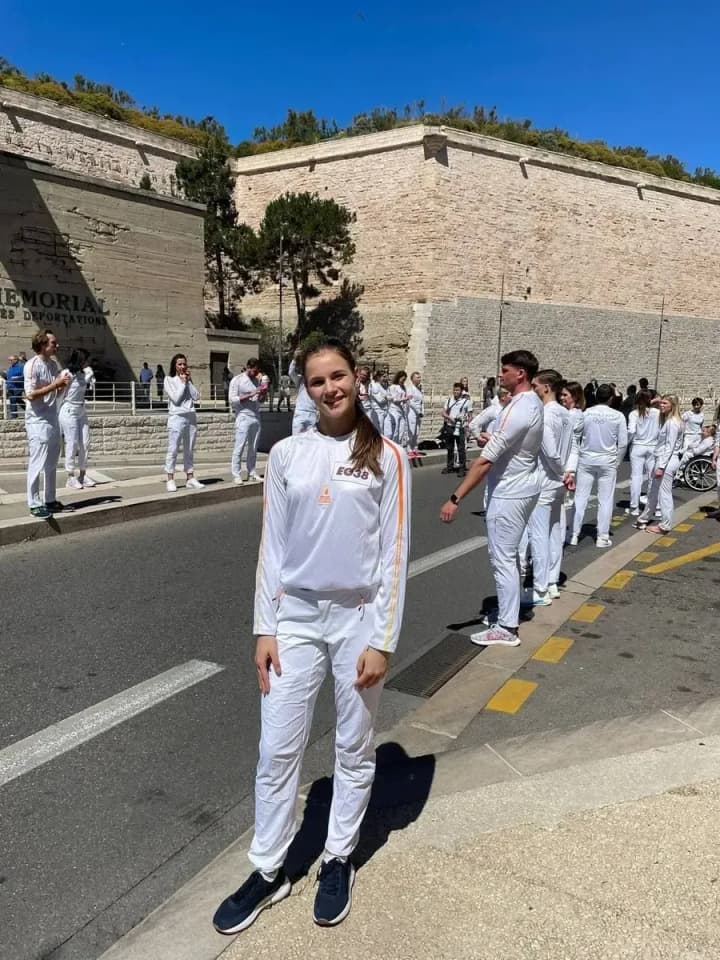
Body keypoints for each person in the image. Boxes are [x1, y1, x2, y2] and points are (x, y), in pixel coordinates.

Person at [212, 337, 410, 934]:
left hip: (357, 618)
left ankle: (338, 857)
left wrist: (382, 639)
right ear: (305, 387)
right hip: (294, 617)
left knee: (354, 746)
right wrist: (262, 628)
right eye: (318, 380)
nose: (330, 388)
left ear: (358, 377)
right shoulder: (286, 454)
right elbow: (272, 546)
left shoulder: (388, 456)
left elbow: (394, 555)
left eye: (339, 376)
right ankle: (268, 868)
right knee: (277, 749)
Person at [440, 350, 543, 647]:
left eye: (505, 370)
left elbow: (485, 462)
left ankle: (507, 627)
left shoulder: (520, 407)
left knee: (502, 559)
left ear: (520, 374)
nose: (501, 375)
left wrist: (455, 498)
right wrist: (492, 440)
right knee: (508, 557)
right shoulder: (530, 404)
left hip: (510, 492)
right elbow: (512, 444)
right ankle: (508, 614)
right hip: (521, 486)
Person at [523, 370, 574, 606]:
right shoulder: (566, 413)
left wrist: (562, 471)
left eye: (535, 386)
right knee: (554, 531)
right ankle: (552, 581)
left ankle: (540, 588)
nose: (532, 389)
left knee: (540, 535)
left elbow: (550, 451)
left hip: (546, 478)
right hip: (559, 481)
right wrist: (569, 472)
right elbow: (573, 447)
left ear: (545, 388)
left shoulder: (545, 413)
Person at [569, 384, 628, 548]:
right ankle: (602, 536)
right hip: (607, 460)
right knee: (605, 499)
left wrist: (578, 454)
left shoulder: (586, 413)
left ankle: (573, 534)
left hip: (586, 459)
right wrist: (617, 462)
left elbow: (576, 435)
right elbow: (623, 443)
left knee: (580, 498)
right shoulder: (618, 416)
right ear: (611, 398)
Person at [23, 331, 72, 519]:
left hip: (52, 418)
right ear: (43, 345)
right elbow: (31, 395)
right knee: (37, 463)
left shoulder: (53, 365)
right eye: (53, 343)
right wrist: (55, 384)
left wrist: (62, 387)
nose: (56, 346)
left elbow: (54, 395)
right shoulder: (32, 365)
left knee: (51, 462)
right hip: (37, 421)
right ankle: (34, 503)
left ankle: (50, 499)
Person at [634, 395, 683, 534]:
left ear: (672, 405)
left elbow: (669, 446)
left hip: (666, 461)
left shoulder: (672, 423)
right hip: (665, 459)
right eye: (661, 403)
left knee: (664, 494)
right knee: (654, 491)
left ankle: (665, 525)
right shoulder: (672, 420)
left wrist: (661, 466)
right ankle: (644, 518)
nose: (661, 405)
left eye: (665, 403)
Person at [163, 354, 203, 492]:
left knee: (189, 448)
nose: (182, 367)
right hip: (176, 417)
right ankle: (170, 478)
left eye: (184, 364)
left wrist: (189, 382)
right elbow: (176, 399)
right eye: (179, 364)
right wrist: (182, 383)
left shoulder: (187, 380)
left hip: (190, 416)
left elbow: (196, 397)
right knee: (173, 448)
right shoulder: (169, 380)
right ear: (174, 365)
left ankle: (190, 477)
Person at [59, 349, 96, 489]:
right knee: (72, 443)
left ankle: (82, 474)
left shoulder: (83, 373)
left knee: (85, 442)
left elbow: (90, 383)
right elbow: (60, 392)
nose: (87, 362)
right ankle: (70, 476)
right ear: (79, 360)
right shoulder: (67, 373)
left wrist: (90, 374)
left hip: (81, 410)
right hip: (69, 410)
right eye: (85, 360)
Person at [229, 358, 266, 483]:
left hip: (255, 415)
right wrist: (250, 394)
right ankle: (236, 474)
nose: (256, 374)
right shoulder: (237, 380)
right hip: (243, 415)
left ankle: (252, 471)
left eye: (257, 371)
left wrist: (263, 393)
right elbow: (233, 399)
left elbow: (260, 400)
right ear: (248, 367)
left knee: (253, 446)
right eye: (254, 371)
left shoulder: (257, 381)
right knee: (239, 446)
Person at [626, 390, 660, 516]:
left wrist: (626, 445)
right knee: (653, 477)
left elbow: (631, 431)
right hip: (652, 446)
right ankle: (654, 506)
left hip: (637, 446)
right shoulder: (657, 413)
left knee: (636, 477)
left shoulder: (633, 414)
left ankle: (634, 507)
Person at [441, 382, 471, 477]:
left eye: (457, 390)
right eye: (454, 390)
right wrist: (450, 418)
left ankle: (462, 468)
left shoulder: (466, 402)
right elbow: (443, 412)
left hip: (460, 427)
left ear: (461, 391)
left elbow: (470, 416)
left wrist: (468, 427)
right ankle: (449, 466)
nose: (455, 392)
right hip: (450, 426)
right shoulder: (449, 401)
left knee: (461, 448)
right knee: (449, 448)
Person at [288, 351, 318, 434]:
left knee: (311, 441)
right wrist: (294, 359)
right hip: (300, 413)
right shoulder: (299, 379)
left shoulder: (317, 382)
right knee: (297, 440)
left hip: (313, 413)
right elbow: (291, 372)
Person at [406, 371, 425, 459]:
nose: (419, 379)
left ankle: (414, 448)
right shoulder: (410, 388)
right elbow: (410, 402)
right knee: (411, 431)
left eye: (419, 377)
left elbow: (422, 402)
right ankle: (409, 448)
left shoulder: (421, 389)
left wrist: (422, 411)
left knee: (416, 432)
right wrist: (418, 411)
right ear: (412, 379)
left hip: (419, 413)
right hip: (412, 412)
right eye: (417, 377)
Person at [388, 371, 409, 448]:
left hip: (402, 410)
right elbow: (395, 400)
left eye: (404, 380)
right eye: (402, 379)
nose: (403, 381)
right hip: (394, 410)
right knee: (395, 430)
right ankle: (393, 446)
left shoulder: (403, 387)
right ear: (398, 378)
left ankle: (399, 445)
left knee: (402, 429)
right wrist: (405, 398)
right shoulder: (393, 387)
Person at [369, 370, 390, 436]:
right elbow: (380, 400)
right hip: (378, 412)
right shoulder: (374, 386)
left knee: (387, 432)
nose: (386, 378)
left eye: (386, 376)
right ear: (378, 377)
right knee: (379, 432)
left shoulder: (384, 386)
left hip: (385, 411)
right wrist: (387, 397)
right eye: (384, 377)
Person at [5, 354, 25, 419]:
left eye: (11, 360)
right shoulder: (10, 368)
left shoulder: (21, 367)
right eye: (9, 360)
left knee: (16, 399)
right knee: (13, 400)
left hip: (18, 386)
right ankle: (14, 415)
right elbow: (8, 377)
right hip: (10, 386)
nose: (9, 361)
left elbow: (24, 376)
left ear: (15, 360)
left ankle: (28, 410)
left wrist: (17, 378)